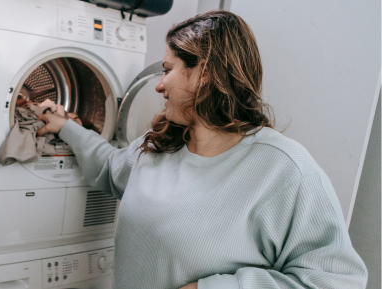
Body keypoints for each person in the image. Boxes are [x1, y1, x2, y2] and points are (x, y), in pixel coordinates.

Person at [37, 10, 368, 289]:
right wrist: (67, 127)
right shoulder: (160, 145)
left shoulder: (283, 170)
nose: (159, 84)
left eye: (168, 70)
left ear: (205, 72)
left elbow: (337, 280)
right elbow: (109, 167)